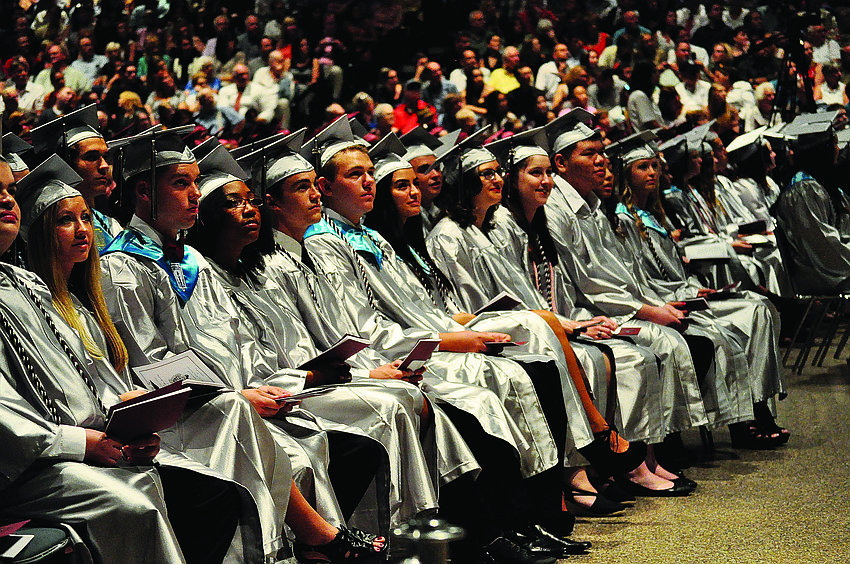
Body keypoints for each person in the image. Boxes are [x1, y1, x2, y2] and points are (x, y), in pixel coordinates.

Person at [99, 129, 388, 562]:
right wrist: (236, 393)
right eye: (181, 183)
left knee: (313, 441)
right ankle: (317, 542)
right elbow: (150, 363)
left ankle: (321, 545)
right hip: (179, 413)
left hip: (222, 398)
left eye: (196, 183)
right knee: (287, 448)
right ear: (143, 192)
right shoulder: (124, 267)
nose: (195, 194)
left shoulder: (189, 263)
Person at [0, 156, 191, 564]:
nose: (6, 201)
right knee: (133, 506)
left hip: (72, 447)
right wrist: (78, 443)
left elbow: (82, 377)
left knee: (147, 479)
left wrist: (123, 423)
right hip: (23, 465)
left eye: (9, 192)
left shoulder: (25, 284)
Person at [610, 134, 789, 448]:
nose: (652, 173)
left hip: (686, 292)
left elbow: (672, 268)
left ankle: (758, 405)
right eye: (642, 167)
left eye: (654, 166)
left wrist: (696, 287)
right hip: (667, 301)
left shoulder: (652, 214)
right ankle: (744, 419)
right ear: (626, 176)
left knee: (758, 306)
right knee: (741, 320)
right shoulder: (625, 220)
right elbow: (641, 280)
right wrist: (682, 293)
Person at [776, 116, 850, 294]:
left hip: (831, 262)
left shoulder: (823, 184)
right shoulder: (804, 190)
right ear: (821, 151)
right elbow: (821, 245)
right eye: (834, 144)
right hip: (815, 270)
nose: (838, 150)